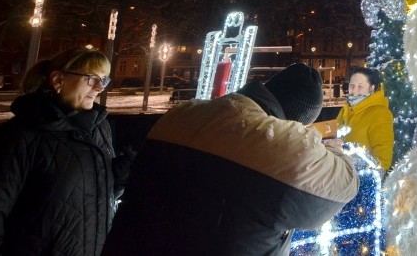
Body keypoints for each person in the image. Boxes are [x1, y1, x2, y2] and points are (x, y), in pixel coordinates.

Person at [102, 62, 359, 256]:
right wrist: (333, 150)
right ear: (294, 121)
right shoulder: (281, 147)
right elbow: (344, 183)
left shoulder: (183, 114)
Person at [0, 47, 131, 256]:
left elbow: (84, 200)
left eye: (104, 80)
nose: (100, 88)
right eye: (92, 79)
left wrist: (117, 178)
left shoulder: (99, 128)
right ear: (58, 80)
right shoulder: (20, 136)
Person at [336, 66, 394, 171]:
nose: (354, 90)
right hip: (340, 176)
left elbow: (383, 161)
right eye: (352, 85)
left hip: (359, 181)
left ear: (371, 88)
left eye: (360, 86)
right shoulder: (346, 109)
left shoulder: (380, 114)